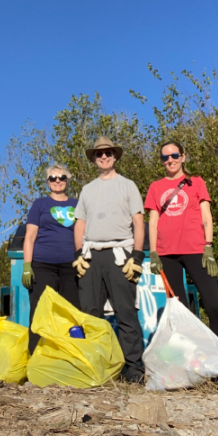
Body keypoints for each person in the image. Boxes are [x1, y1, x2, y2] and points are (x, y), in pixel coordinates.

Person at [144, 140, 218, 391]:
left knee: (214, 306)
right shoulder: (156, 187)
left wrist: (209, 246)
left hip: (197, 251)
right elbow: (152, 222)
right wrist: (153, 253)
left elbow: (206, 215)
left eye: (175, 155)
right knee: (182, 315)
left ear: (184, 156)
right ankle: (192, 369)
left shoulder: (196, 182)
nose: (170, 160)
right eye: (165, 157)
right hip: (167, 255)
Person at [73, 136, 147, 383]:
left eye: (108, 153)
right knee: (91, 314)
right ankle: (97, 368)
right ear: (94, 158)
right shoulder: (87, 190)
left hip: (120, 254)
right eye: (99, 154)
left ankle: (133, 369)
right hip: (92, 255)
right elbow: (80, 223)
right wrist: (78, 255)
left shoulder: (128, 186)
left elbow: (138, 221)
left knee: (126, 312)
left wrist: (137, 256)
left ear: (115, 156)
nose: (103, 157)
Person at [22, 164, 79, 353]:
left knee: (72, 314)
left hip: (71, 266)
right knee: (40, 312)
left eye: (61, 177)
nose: (57, 181)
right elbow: (29, 237)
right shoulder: (40, 204)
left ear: (67, 180)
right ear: (47, 182)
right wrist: (27, 266)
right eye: (53, 178)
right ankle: (35, 359)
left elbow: (83, 234)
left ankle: (73, 358)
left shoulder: (77, 204)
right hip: (42, 265)